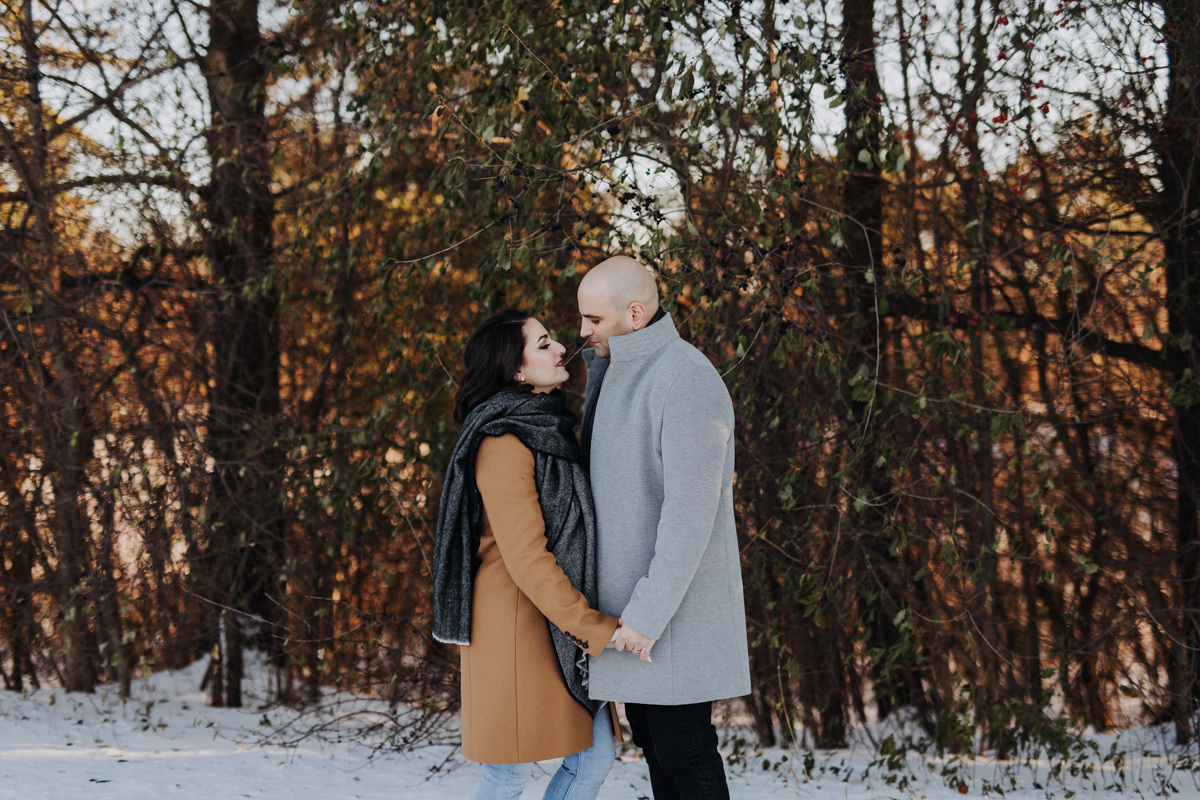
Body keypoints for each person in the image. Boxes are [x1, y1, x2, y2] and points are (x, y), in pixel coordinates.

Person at [579, 257, 752, 800]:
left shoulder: (686, 377)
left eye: (593, 320)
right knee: (657, 746)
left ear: (635, 313)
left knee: (686, 752)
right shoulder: (620, 373)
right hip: (632, 619)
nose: (582, 332)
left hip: (667, 618)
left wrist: (646, 616)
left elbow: (690, 514)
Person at [431, 309, 622, 800]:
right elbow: (526, 558)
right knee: (508, 774)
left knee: (593, 758)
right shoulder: (503, 441)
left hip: (551, 622)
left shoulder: (546, 429)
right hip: (516, 626)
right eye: (542, 344)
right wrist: (593, 625)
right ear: (516, 370)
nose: (560, 347)